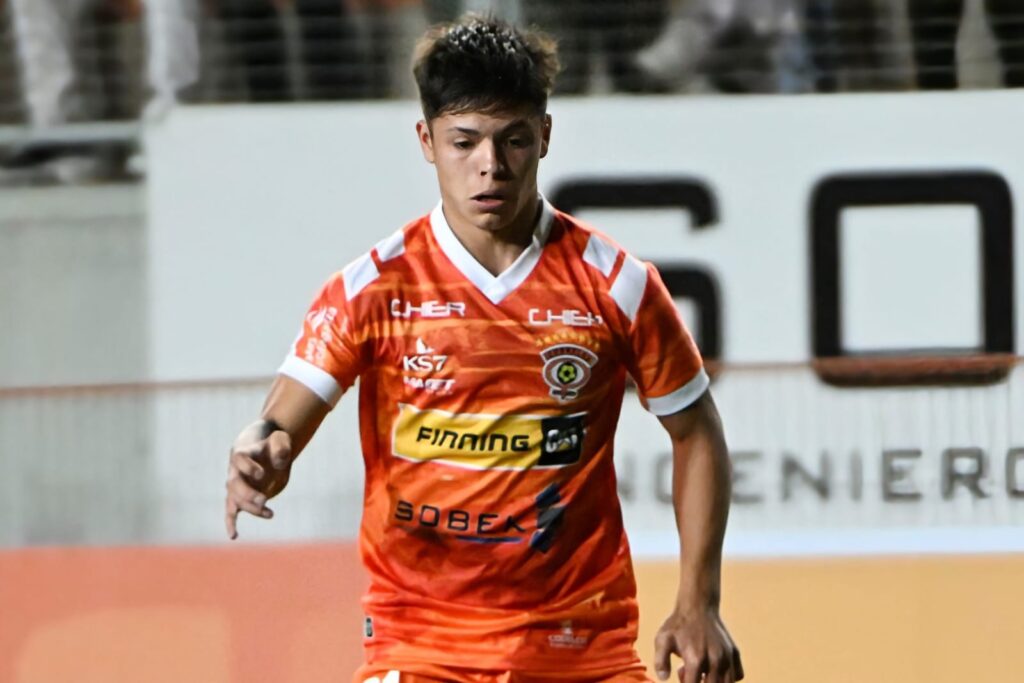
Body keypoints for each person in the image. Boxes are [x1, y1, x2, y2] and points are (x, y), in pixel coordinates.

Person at [224, 14, 744, 683]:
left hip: (579, 645)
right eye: (464, 142)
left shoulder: (617, 285)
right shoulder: (374, 287)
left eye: (513, 141)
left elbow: (696, 430)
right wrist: (261, 452)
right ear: (426, 141)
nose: (489, 166)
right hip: (422, 647)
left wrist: (699, 603)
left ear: (545, 137)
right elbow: (278, 420)